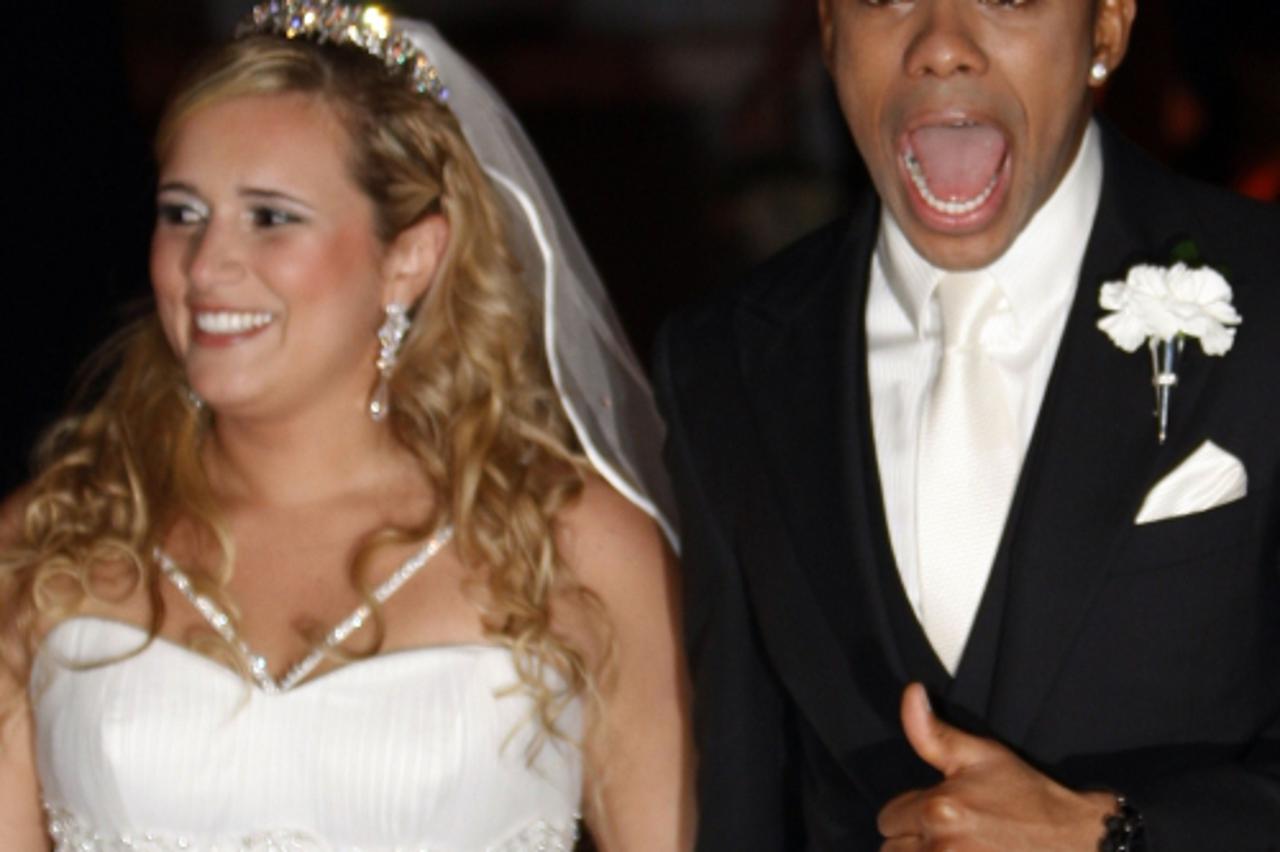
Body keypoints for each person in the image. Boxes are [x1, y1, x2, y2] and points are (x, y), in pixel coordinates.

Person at [0, 2, 692, 849]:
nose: (206, 266)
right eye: (183, 212)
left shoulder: (575, 547)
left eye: (271, 217)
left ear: (409, 258)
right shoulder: (42, 546)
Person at [654, 0, 1280, 848]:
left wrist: (1109, 835)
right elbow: (744, 804)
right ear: (829, 29)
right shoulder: (723, 363)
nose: (942, 45)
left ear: (1108, 28)